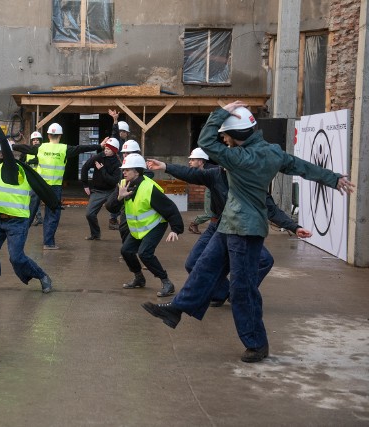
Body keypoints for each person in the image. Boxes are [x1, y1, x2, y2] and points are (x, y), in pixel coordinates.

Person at [141, 102, 355, 363]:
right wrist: (334, 178)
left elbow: (206, 141)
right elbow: (300, 166)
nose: (224, 139)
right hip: (229, 224)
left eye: (226, 135)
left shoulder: (240, 158)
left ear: (238, 135)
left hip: (244, 229)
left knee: (242, 289)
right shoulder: (272, 152)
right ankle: (177, 309)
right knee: (204, 268)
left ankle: (256, 344)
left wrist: (221, 111)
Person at [146, 156, 312, 307]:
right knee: (192, 263)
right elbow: (190, 173)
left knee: (265, 260)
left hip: (240, 230)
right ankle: (222, 293)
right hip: (217, 227)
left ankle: (239, 293)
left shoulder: (253, 183)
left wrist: (294, 227)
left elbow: (271, 209)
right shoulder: (215, 175)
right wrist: (165, 166)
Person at [0, 114, 60, 293]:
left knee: (17, 258)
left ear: (1, 154)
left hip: (17, 221)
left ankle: (42, 276)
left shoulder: (9, 167)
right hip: (0, 220)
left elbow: (5, 144)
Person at [105, 154, 184, 296]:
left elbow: (170, 208)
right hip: (138, 228)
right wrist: (119, 197)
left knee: (145, 253)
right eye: (123, 170)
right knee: (126, 251)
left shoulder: (150, 188)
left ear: (137, 171)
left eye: (127, 170)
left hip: (155, 225)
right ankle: (139, 278)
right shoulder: (123, 184)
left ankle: (166, 282)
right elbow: (110, 207)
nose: (124, 172)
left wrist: (175, 229)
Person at [13, 123, 100, 250]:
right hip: (54, 187)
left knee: (28, 212)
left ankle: (18, 239)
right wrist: (99, 145)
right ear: (60, 135)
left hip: (39, 185)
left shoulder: (40, 147)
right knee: (52, 214)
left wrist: (11, 144)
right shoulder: (64, 149)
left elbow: (24, 148)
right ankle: (48, 243)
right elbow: (82, 148)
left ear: (48, 135)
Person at [81, 137, 121, 240]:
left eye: (108, 149)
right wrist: (85, 184)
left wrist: (102, 170)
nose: (105, 150)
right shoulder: (99, 157)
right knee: (89, 214)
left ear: (114, 151)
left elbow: (113, 181)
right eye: (105, 148)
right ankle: (95, 235)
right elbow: (85, 167)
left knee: (122, 210)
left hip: (112, 191)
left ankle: (123, 232)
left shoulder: (117, 164)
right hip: (98, 191)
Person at [107, 108, 131, 230]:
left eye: (123, 131)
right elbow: (114, 133)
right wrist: (115, 120)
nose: (122, 133)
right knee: (118, 195)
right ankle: (113, 219)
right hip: (118, 173)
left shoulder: (127, 144)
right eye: (121, 131)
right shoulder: (116, 142)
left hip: (124, 173)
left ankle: (119, 219)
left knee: (123, 195)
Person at [185, 148, 215, 234]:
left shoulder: (210, 169)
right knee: (210, 214)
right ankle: (195, 223)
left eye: (192, 160)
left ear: (200, 161)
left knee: (214, 213)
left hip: (215, 190)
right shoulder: (203, 169)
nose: (189, 162)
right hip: (211, 190)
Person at [22, 131, 44, 227]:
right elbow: (21, 162)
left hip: (40, 178)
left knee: (35, 199)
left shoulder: (44, 151)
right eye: (34, 140)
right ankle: (38, 217)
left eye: (37, 140)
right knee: (33, 199)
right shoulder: (27, 151)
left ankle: (37, 217)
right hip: (30, 179)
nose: (35, 141)